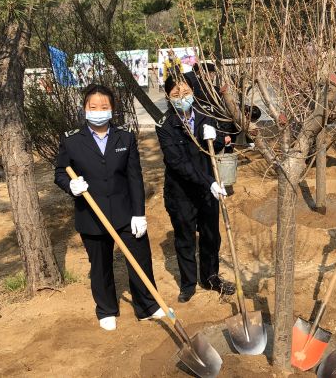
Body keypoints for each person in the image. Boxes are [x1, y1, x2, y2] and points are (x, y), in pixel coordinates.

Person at [54, 84, 163, 331]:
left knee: (140, 259)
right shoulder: (72, 141)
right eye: (93, 107)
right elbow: (60, 172)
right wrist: (71, 185)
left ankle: (147, 306)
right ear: (84, 109)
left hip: (125, 213)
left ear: (112, 109)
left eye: (104, 107)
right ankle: (106, 309)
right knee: (100, 265)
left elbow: (135, 177)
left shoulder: (124, 137)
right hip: (91, 215)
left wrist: (139, 214)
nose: (99, 111)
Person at [156, 74, 236, 303]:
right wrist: (208, 181)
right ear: (168, 97)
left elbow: (219, 142)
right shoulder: (165, 126)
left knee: (211, 236)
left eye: (186, 92)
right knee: (185, 239)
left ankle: (210, 278)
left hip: (207, 192)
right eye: (175, 94)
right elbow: (178, 163)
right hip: (181, 193)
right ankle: (188, 284)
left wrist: (219, 137)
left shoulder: (205, 116)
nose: (182, 97)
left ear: (193, 91)